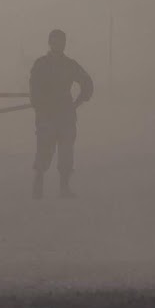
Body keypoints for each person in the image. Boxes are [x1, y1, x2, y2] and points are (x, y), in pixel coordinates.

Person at [29, 29, 93, 199]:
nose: (59, 45)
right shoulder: (40, 64)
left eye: (62, 41)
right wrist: (41, 107)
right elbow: (34, 91)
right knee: (44, 151)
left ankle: (64, 188)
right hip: (47, 115)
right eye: (56, 41)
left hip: (65, 115)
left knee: (66, 153)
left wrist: (77, 103)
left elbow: (87, 83)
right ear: (50, 43)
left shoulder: (70, 65)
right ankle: (38, 184)